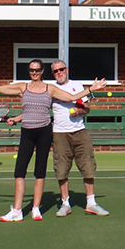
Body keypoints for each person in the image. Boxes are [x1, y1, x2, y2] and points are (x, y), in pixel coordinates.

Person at [0, 61, 106, 222]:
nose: (34, 73)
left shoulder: (50, 89)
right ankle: (17, 210)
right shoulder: (22, 87)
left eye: (37, 70)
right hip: (27, 132)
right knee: (20, 171)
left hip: (45, 132)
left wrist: (91, 89)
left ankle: (36, 209)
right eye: (31, 70)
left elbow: (72, 97)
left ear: (42, 71)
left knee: (40, 171)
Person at [50, 60, 109, 216]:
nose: (59, 73)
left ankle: (91, 203)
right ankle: (65, 204)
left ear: (67, 70)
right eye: (55, 71)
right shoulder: (51, 89)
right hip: (59, 134)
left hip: (79, 132)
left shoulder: (77, 86)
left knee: (88, 167)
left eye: (61, 69)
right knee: (61, 169)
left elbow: (87, 109)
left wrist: (79, 111)